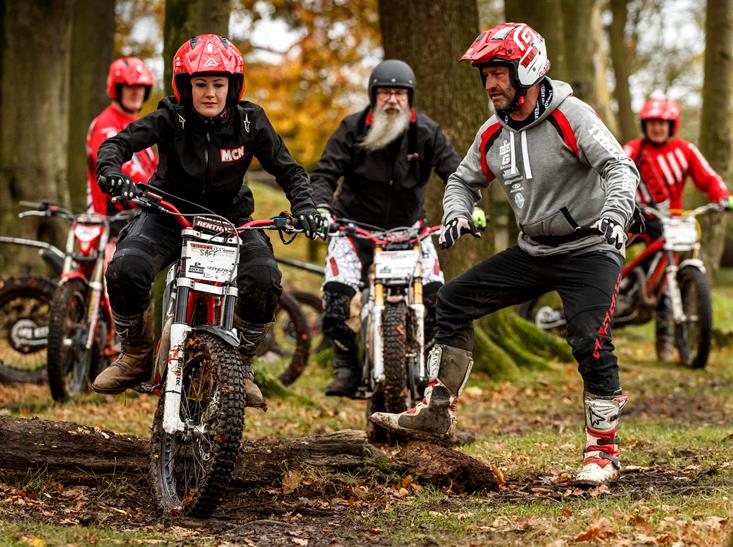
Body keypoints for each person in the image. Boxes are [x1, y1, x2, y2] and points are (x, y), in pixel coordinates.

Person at [370, 23, 639, 486]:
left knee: (588, 338)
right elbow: (461, 180)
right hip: (534, 249)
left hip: (592, 246)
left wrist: (616, 214)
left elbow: (619, 166)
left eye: (499, 72)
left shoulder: (570, 115)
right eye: (486, 74)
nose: (490, 83)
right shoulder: (493, 131)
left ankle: (603, 452)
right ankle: (437, 412)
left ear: (528, 69)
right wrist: (456, 211)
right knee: (451, 299)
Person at [91, 34, 322, 407]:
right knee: (125, 267)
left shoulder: (251, 122)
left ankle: (240, 363)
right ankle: (135, 354)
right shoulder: (170, 116)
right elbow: (118, 143)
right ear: (186, 87)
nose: (210, 93)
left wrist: (306, 207)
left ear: (233, 87)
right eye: (200, 84)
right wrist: (110, 169)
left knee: (264, 280)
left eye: (218, 84)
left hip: (231, 222)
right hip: (167, 214)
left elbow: (290, 170)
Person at [311, 59, 461, 397]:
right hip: (353, 230)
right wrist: (320, 207)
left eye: (399, 93)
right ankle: (346, 367)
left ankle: (427, 369)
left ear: (409, 98)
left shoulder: (427, 132)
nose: (392, 100)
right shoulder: (351, 128)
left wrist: (466, 208)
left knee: (438, 301)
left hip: (410, 232)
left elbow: (456, 174)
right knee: (336, 303)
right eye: (385, 93)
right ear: (373, 96)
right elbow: (324, 173)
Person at [622, 96, 733, 362]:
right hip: (636, 219)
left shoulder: (685, 151)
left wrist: (722, 196)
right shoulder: (633, 149)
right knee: (609, 256)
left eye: (663, 123)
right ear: (644, 125)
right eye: (652, 123)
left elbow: (707, 177)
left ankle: (666, 344)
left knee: (665, 282)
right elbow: (618, 172)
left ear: (672, 125)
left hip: (671, 224)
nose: (657, 128)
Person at [86, 57, 158, 231]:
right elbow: (119, 167)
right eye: (130, 87)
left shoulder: (136, 124)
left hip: (138, 214)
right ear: (116, 89)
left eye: (141, 87)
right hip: (111, 218)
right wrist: (156, 192)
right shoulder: (106, 123)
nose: (136, 92)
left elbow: (153, 167)